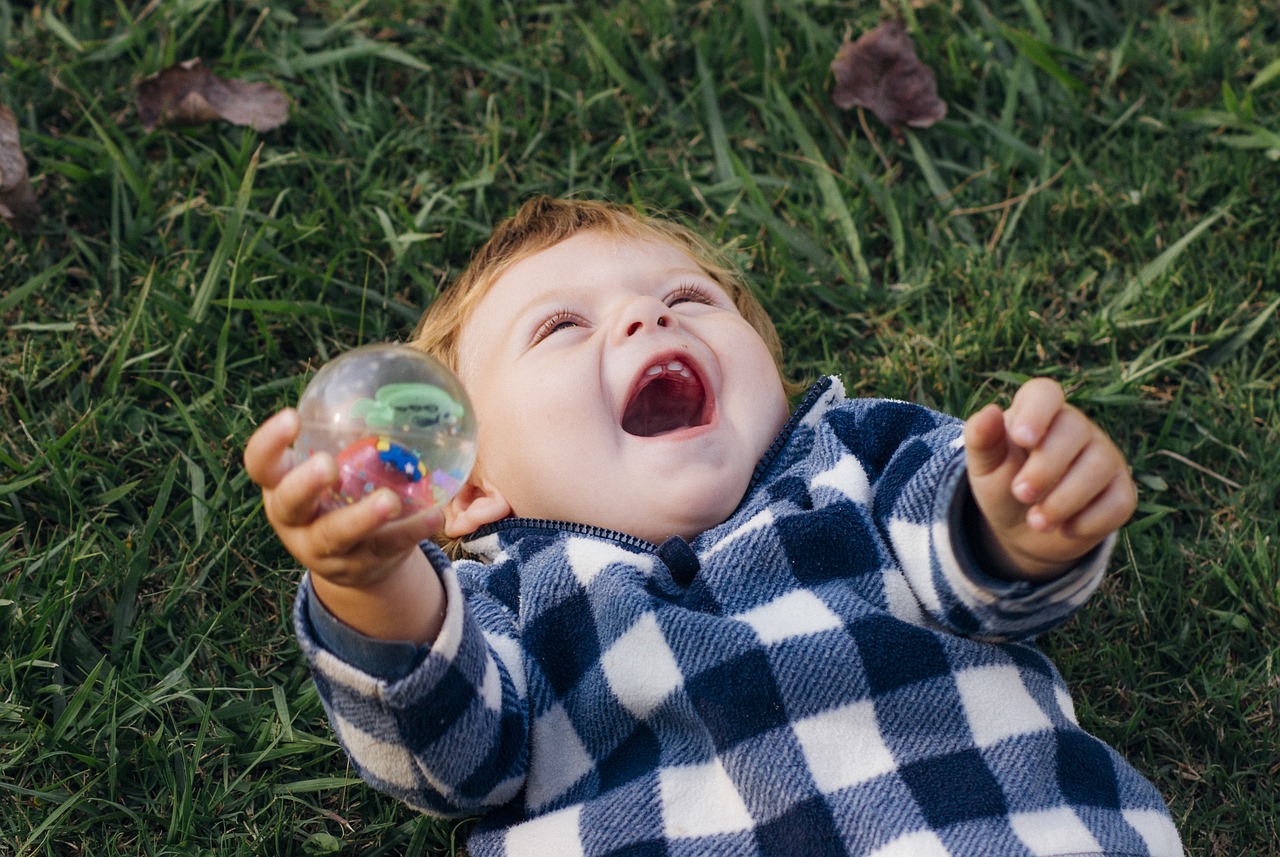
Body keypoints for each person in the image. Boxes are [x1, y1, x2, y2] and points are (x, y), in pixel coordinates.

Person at [245, 197, 1183, 856]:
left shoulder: (855, 458)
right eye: (562, 326)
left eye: (689, 299)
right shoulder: (500, 605)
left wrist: (1017, 524)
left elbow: (963, 554)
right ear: (472, 483)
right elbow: (448, 756)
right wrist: (373, 584)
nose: (648, 316)